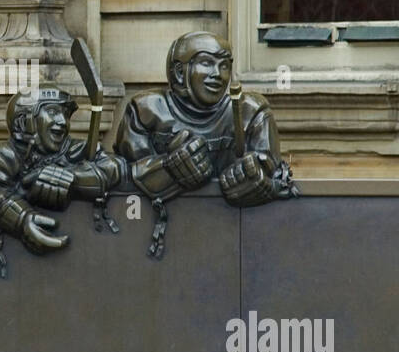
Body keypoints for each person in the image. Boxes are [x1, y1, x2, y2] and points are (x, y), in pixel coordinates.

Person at [114, 31, 296, 256]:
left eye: (224, 65)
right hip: (157, 245)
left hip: (234, 245)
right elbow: (122, 176)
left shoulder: (250, 111)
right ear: (180, 73)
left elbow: (276, 174)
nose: (218, 75)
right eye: (207, 63)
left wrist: (258, 180)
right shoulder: (146, 110)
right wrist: (169, 169)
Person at [0, 83, 125, 277]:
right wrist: (22, 220)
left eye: (64, 114)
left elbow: (114, 167)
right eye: (52, 112)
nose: (62, 121)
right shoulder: (4, 156)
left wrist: (73, 179)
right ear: (24, 122)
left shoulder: (77, 150)